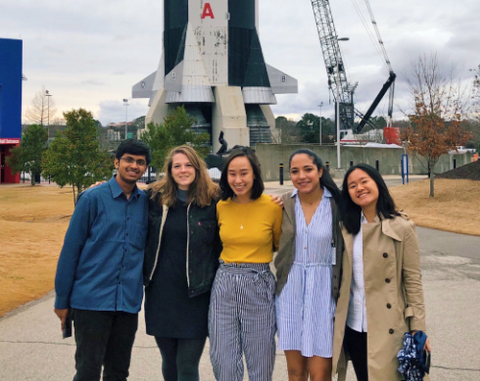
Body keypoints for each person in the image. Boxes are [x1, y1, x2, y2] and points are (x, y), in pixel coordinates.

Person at [54, 139, 151, 381]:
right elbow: (71, 250)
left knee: (118, 372)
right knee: (87, 371)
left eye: (140, 162)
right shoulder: (92, 198)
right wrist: (62, 300)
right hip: (91, 302)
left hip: (127, 304)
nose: (134, 166)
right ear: (116, 162)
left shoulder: (148, 204)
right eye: (128, 160)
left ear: (146, 168)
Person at [333, 163, 431, 381]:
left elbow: (413, 281)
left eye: (364, 181)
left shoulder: (402, 227)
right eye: (352, 185)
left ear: (377, 183)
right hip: (354, 325)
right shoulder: (346, 228)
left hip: (389, 327)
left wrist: (418, 329)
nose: (359, 188)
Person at [143, 145, 221, 381]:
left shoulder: (215, 200)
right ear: (169, 170)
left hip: (196, 295)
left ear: (198, 168)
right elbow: (122, 195)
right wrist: (94, 190)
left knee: (187, 366)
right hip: (162, 294)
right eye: (177, 166)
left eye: (188, 165)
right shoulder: (154, 198)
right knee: (169, 363)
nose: (183, 170)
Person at [208, 147, 283, 381]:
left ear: (254, 174)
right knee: (224, 360)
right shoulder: (220, 205)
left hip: (258, 281)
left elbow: (280, 243)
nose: (238, 180)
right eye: (232, 174)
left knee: (260, 360)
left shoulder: (272, 206)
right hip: (224, 283)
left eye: (244, 173)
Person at [274, 149, 343, 381]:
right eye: (295, 171)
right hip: (290, 290)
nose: (301, 176)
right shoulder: (284, 203)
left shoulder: (337, 205)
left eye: (308, 169)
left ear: (320, 171)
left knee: (320, 374)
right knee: (295, 373)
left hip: (324, 292)